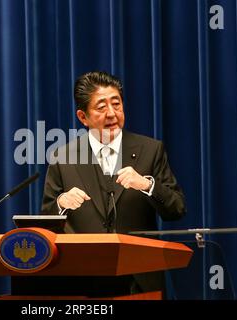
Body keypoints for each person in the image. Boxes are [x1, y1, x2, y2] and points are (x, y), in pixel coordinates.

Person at [40, 71, 186, 298]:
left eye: (116, 104)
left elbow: (176, 209)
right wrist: (61, 202)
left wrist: (147, 185)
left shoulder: (150, 150)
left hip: (139, 280)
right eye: (101, 107)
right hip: (82, 282)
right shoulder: (63, 157)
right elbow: (47, 220)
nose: (111, 113)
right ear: (83, 117)